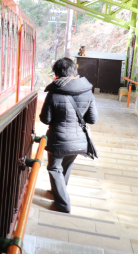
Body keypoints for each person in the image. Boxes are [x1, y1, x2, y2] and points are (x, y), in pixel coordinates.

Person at [39, 57, 98, 213]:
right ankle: (59, 191)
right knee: (66, 165)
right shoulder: (87, 90)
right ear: (74, 71)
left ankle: (63, 203)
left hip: (58, 140)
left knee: (54, 168)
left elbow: (45, 119)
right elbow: (93, 119)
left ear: (57, 74)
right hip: (78, 141)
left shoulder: (53, 92)